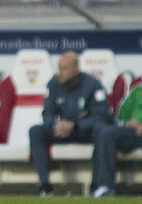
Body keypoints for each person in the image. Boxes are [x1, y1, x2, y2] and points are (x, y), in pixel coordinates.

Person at [29, 51, 111, 196]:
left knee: (101, 131)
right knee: (35, 131)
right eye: (59, 68)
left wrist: (75, 124)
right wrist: (54, 124)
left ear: (76, 69)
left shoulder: (93, 84)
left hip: (83, 131)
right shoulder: (53, 84)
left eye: (64, 69)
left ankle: (96, 185)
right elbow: (47, 112)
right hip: (62, 131)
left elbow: (102, 115)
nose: (60, 73)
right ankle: (45, 186)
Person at [91, 82, 142, 197]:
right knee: (106, 132)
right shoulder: (138, 91)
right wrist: (127, 122)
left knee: (108, 133)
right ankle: (105, 186)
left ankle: (105, 185)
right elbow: (121, 115)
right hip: (133, 133)